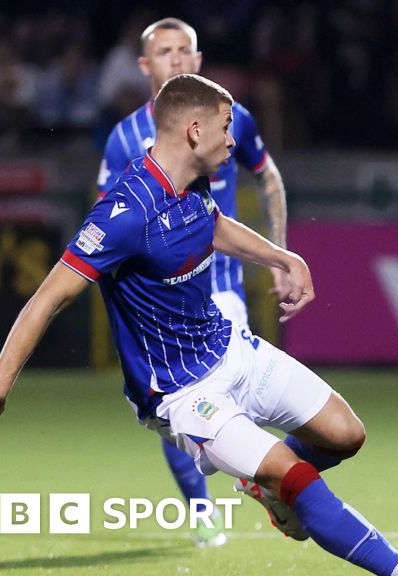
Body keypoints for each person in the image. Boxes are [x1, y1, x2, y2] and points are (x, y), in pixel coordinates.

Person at [0, 74, 398, 576]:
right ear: (193, 130)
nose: (232, 139)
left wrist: (280, 257)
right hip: (182, 394)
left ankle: (264, 485)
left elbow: (214, 223)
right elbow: (49, 296)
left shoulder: (195, 181)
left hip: (228, 348)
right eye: (226, 127)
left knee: (345, 434)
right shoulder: (125, 211)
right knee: (292, 475)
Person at [97, 17, 290, 547]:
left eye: (186, 50)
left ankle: (260, 479)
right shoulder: (124, 140)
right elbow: (103, 222)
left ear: (199, 62)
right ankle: (205, 508)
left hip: (221, 285)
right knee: (181, 403)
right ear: (145, 66)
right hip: (162, 299)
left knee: (233, 405)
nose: (177, 60)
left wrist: (279, 252)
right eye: (165, 52)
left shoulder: (236, 119)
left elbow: (267, 174)